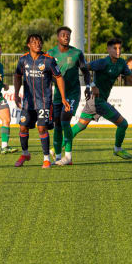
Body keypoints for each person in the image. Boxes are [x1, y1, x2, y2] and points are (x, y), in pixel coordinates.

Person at [68, 38, 132, 160]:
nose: (118, 51)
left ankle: (55, 148)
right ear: (108, 49)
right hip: (97, 101)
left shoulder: (121, 64)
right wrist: (92, 85)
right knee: (123, 124)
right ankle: (117, 149)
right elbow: (84, 68)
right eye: (115, 48)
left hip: (97, 100)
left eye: (119, 48)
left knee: (80, 125)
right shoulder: (102, 62)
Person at [13, 34, 70, 169]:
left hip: (44, 101)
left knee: (41, 128)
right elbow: (17, 76)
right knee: (22, 127)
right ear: (29, 45)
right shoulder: (23, 60)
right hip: (28, 102)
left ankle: (46, 159)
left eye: (39, 42)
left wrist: (63, 97)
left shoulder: (48, 60)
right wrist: (16, 93)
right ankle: (25, 154)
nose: (38, 44)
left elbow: (59, 77)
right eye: (34, 42)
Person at [47, 26, 90, 165]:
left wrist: (88, 86)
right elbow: (46, 75)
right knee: (57, 124)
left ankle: (69, 157)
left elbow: (86, 71)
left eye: (68, 35)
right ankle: (58, 156)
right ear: (58, 37)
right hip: (58, 95)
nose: (66, 37)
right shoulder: (50, 53)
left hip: (73, 93)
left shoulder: (77, 53)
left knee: (65, 120)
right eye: (63, 34)